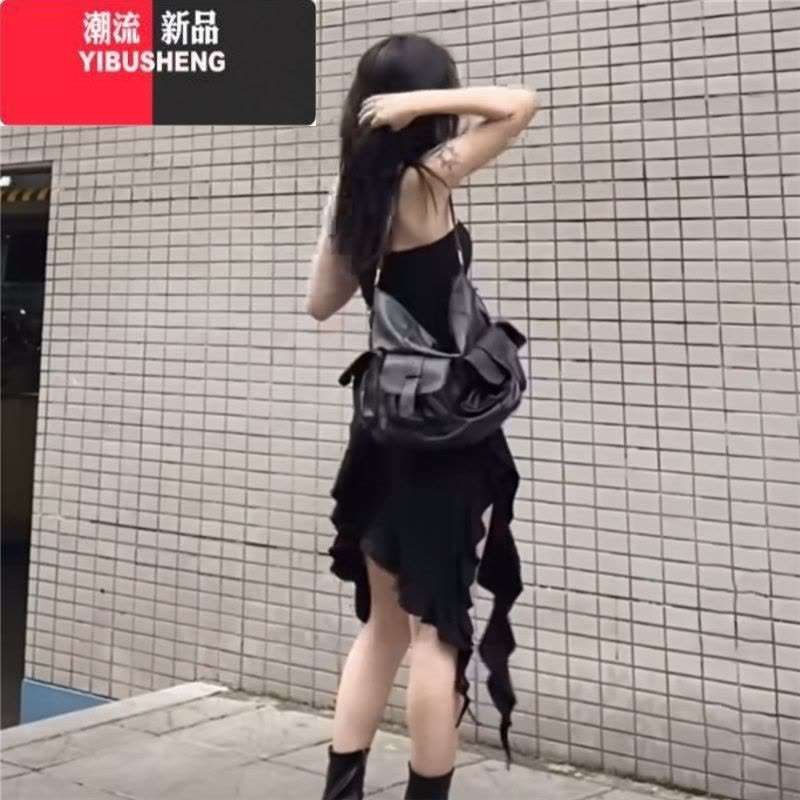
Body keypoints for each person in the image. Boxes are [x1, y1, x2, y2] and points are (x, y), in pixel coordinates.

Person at [305, 33, 540, 800]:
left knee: (383, 629)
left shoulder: (360, 193)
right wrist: (422, 103)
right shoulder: (429, 180)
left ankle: (341, 790)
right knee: (437, 635)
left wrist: (349, 199)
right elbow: (519, 104)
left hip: (383, 435)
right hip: (445, 438)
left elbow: (320, 303)